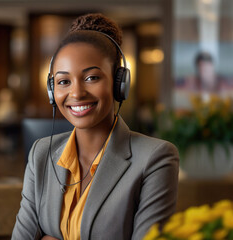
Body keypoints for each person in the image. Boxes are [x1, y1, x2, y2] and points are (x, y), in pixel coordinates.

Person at [12, 13, 179, 240]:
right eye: (63, 81)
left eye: (91, 78)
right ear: (52, 91)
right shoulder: (41, 153)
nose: (77, 93)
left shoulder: (155, 158)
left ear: (119, 84)